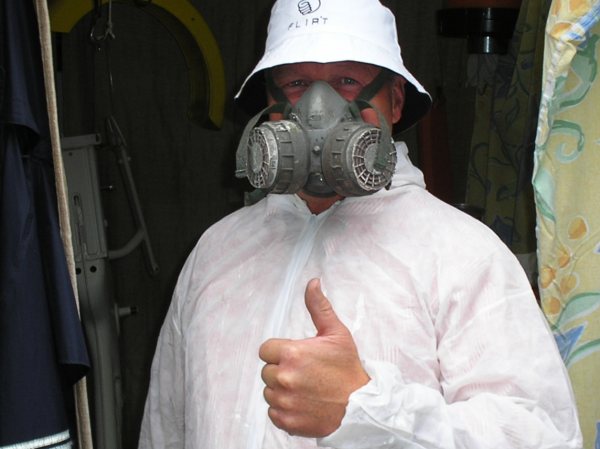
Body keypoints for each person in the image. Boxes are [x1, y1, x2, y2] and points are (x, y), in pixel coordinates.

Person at [138, 0, 582, 448]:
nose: (318, 110)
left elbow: (543, 436)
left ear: (395, 101)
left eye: (347, 81)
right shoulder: (216, 251)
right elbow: (165, 429)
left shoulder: (462, 254)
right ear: (269, 103)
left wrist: (366, 409)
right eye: (295, 84)